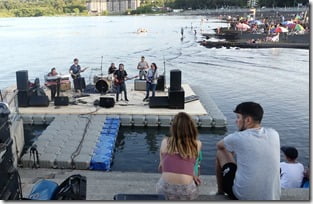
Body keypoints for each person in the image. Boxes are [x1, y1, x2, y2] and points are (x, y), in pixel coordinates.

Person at [215, 102, 280, 200]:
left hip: (243, 196)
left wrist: (232, 151)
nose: (236, 121)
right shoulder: (274, 133)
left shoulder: (238, 137)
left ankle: (220, 192)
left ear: (248, 120)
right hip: (272, 197)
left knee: (221, 152)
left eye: (238, 118)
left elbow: (219, 145)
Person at [156, 112, 202, 200]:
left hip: (165, 189)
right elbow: (188, 165)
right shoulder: (197, 144)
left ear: (173, 128)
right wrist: (192, 175)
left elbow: (161, 167)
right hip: (186, 190)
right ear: (191, 128)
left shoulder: (165, 142)